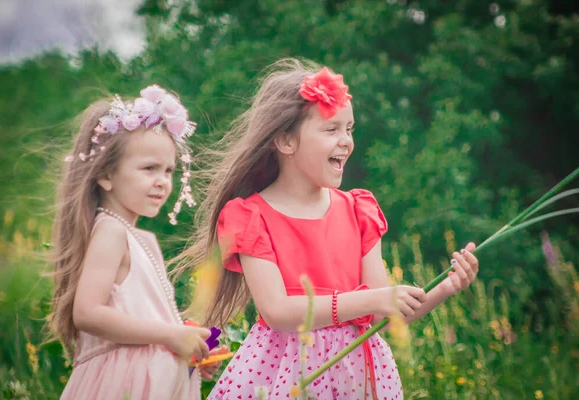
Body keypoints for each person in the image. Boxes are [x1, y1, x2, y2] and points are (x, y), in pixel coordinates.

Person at [173, 59, 479, 399]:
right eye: (331, 130)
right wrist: (374, 298)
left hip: (357, 378)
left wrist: (446, 287)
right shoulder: (251, 217)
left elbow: (385, 312)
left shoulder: (358, 210)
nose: (346, 141)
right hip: (286, 376)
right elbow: (277, 312)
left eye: (349, 129)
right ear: (286, 142)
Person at [49, 85, 222, 399]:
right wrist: (171, 335)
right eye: (149, 168)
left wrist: (188, 347)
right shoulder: (110, 231)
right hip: (119, 384)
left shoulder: (141, 239)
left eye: (169, 170)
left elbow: (143, 322)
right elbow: (87, 313)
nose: (162, 181)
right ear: (106, 176)